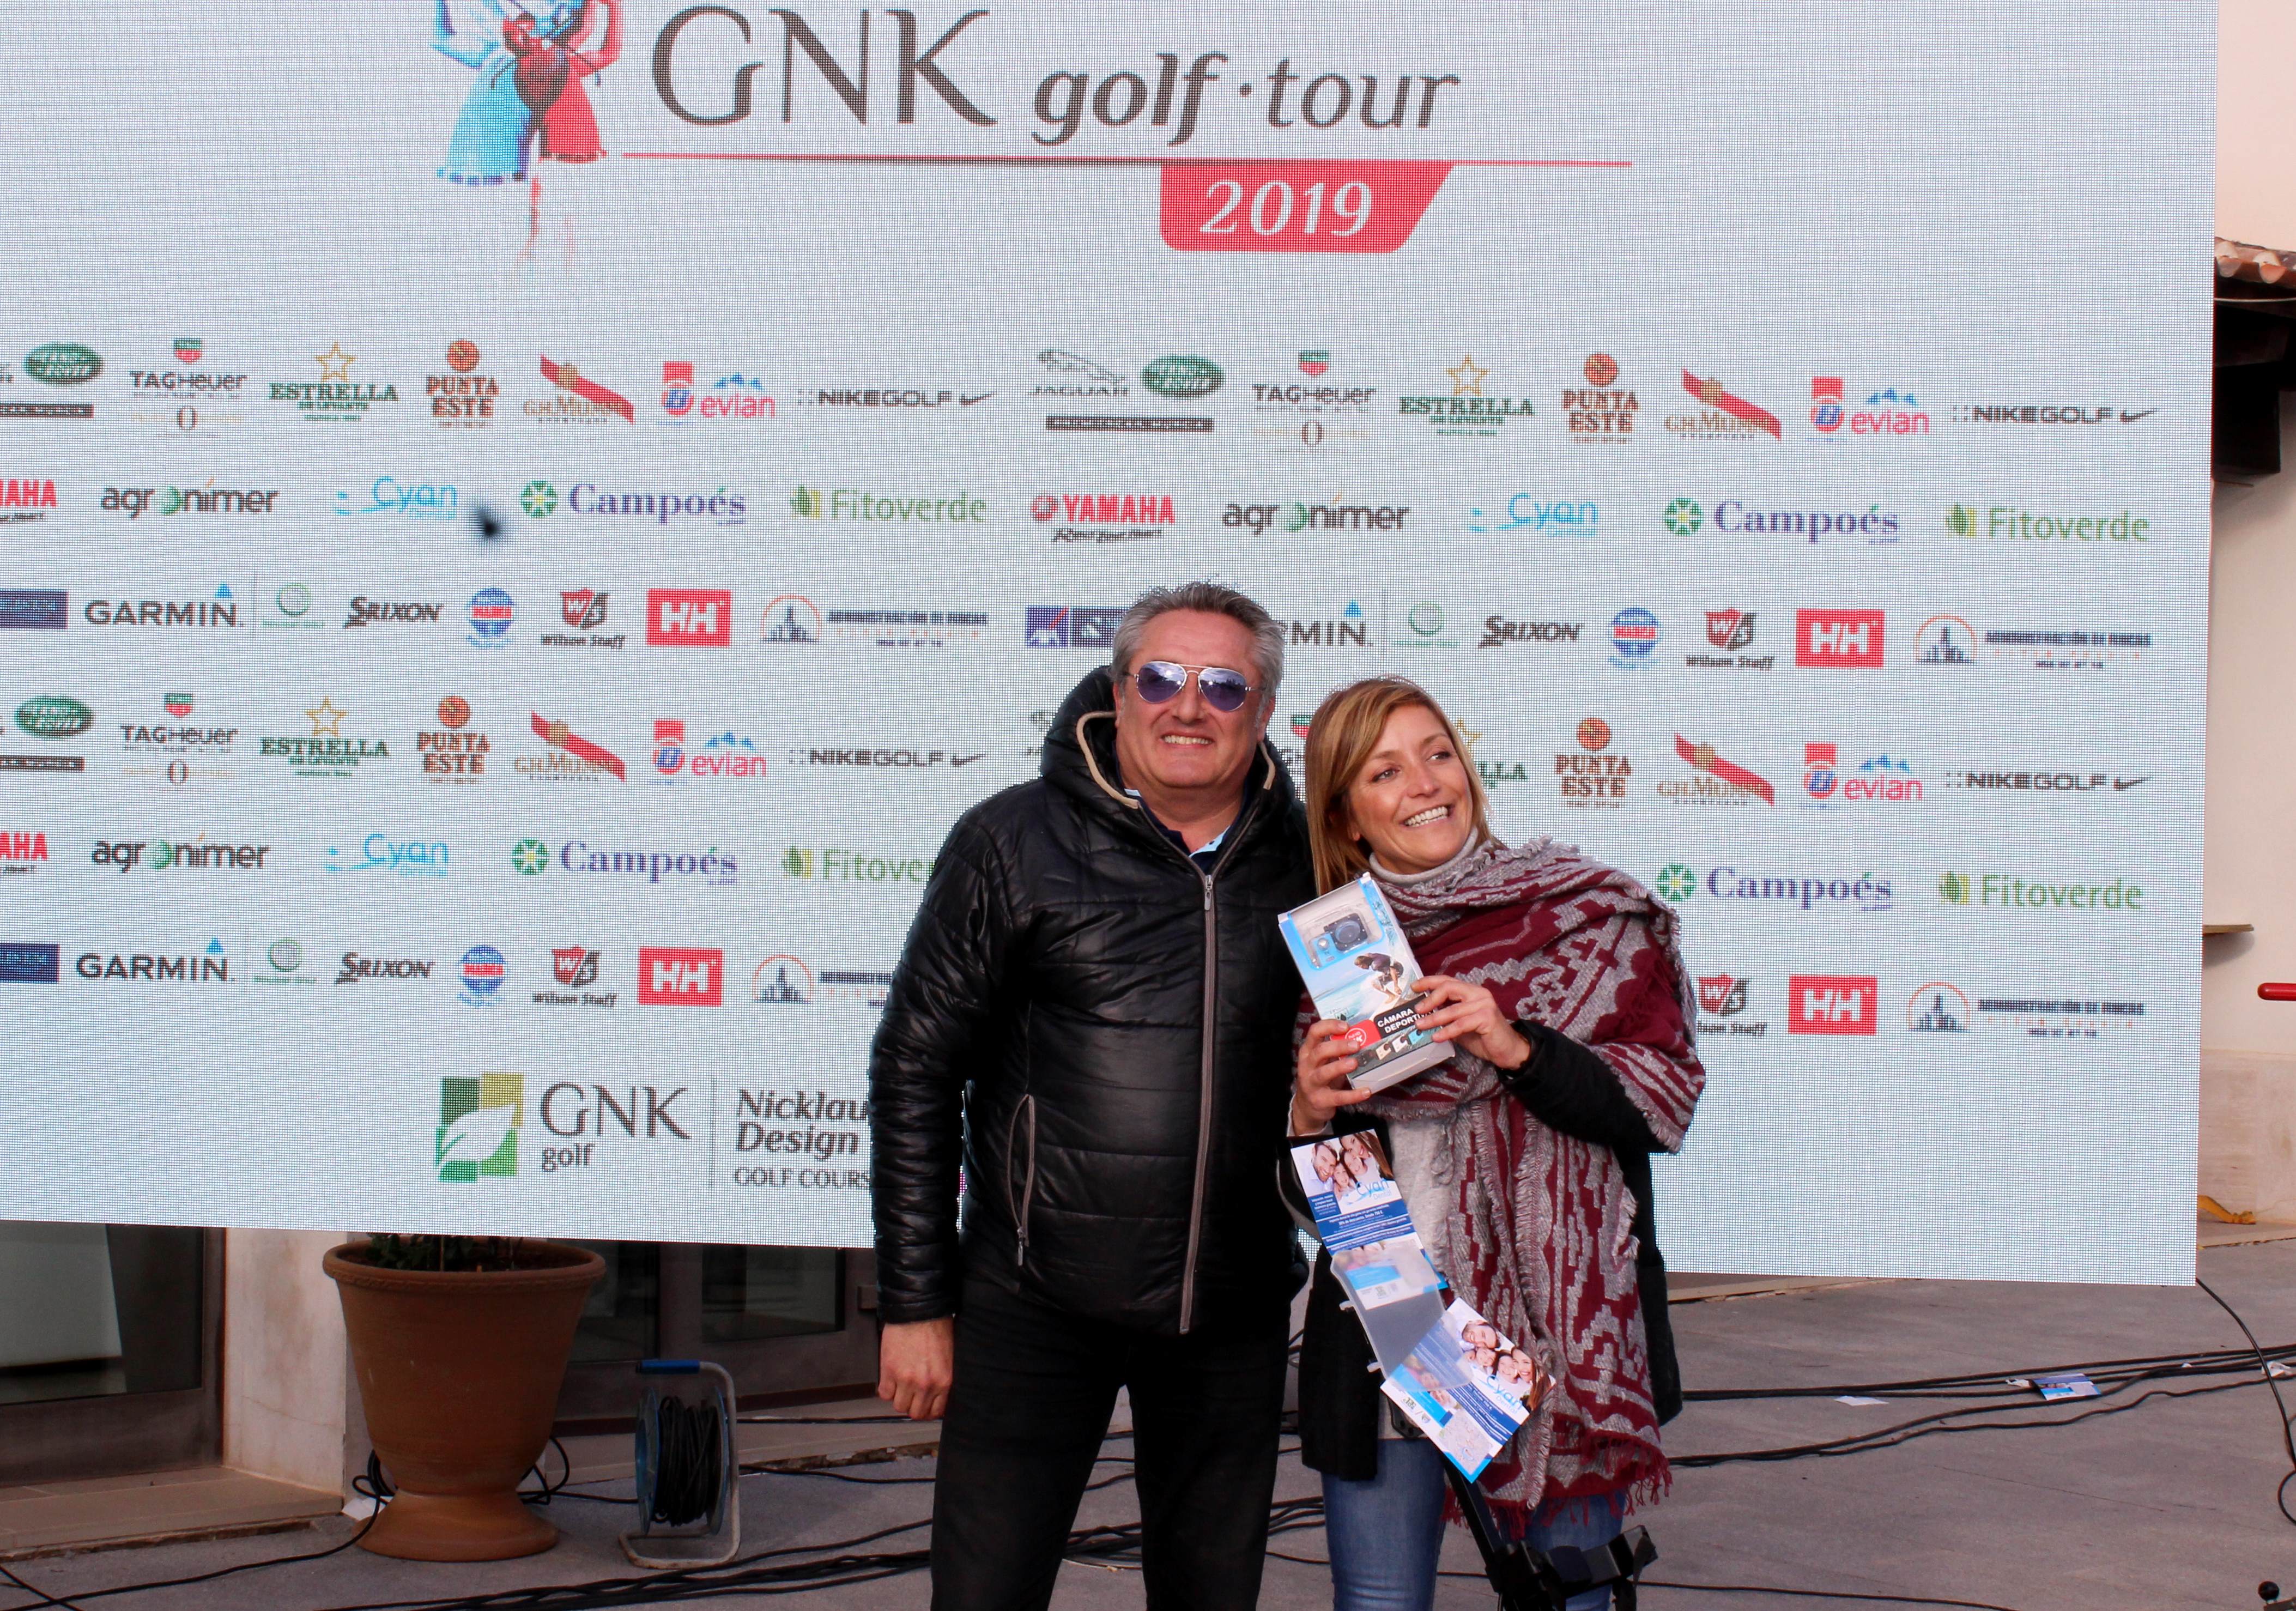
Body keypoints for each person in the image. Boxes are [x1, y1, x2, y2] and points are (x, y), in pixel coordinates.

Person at [870, 582, 1314, 1611]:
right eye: (1159, 679)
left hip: (1234, 1308)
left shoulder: (1314, 861)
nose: (1187, 706)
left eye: (1222, 686)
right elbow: (914, 1069)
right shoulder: (1011, 841)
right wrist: (914, 1302)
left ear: (1260, 712)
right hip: (1033, 1299)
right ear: (1117, 694)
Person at [1286, 675, 1705, 1611]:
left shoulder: (1588, 914)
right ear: (1345, 816)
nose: (1424, 784)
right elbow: (1333, 1213)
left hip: (1561, 1336)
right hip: (1399, 1317)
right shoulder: (1328, 962)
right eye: (1384, 772)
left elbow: (1657, 1107)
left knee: (1568, 1600)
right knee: (1381, 1604)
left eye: (1437, 754)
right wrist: (1310, 1119)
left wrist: (1516, 1048)